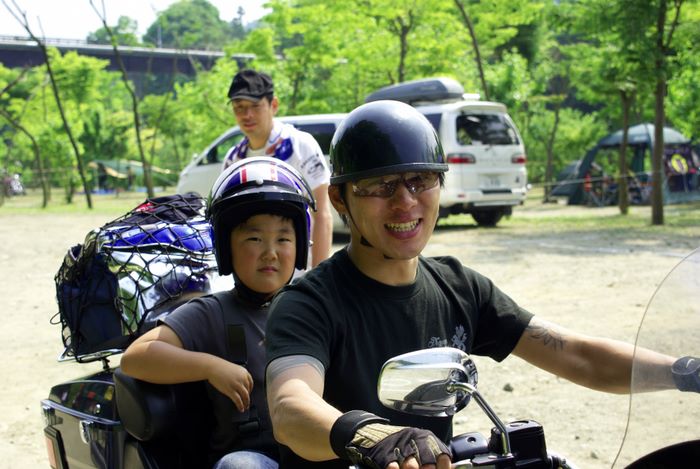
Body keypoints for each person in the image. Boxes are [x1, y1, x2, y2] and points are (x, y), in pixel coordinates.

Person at [264, 100, 698, 469]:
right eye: (382, 185)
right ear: (339, 198)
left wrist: (685, 371)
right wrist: (368, 436)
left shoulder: (458, 288)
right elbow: (290, 408)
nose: (405, 201)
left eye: (421, 180)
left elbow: (578, 355)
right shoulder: (308, 303)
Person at [121, 156, 316, 469]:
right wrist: (211, 367)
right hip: (258, 458)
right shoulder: (213, 312)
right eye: (254, 238)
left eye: (283, 239)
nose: (270, 252)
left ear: (300, 245)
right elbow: (136, 358)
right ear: (226, 247)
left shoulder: (313, 305)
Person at [222, 68, 333, 268]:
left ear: (273, 105)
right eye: (239, 107)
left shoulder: (299, 145)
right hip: (253, 272)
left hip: (300, 271)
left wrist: (319, 274)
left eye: (255, 106)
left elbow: (322, 213)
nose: (247, 115)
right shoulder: (233, 159)